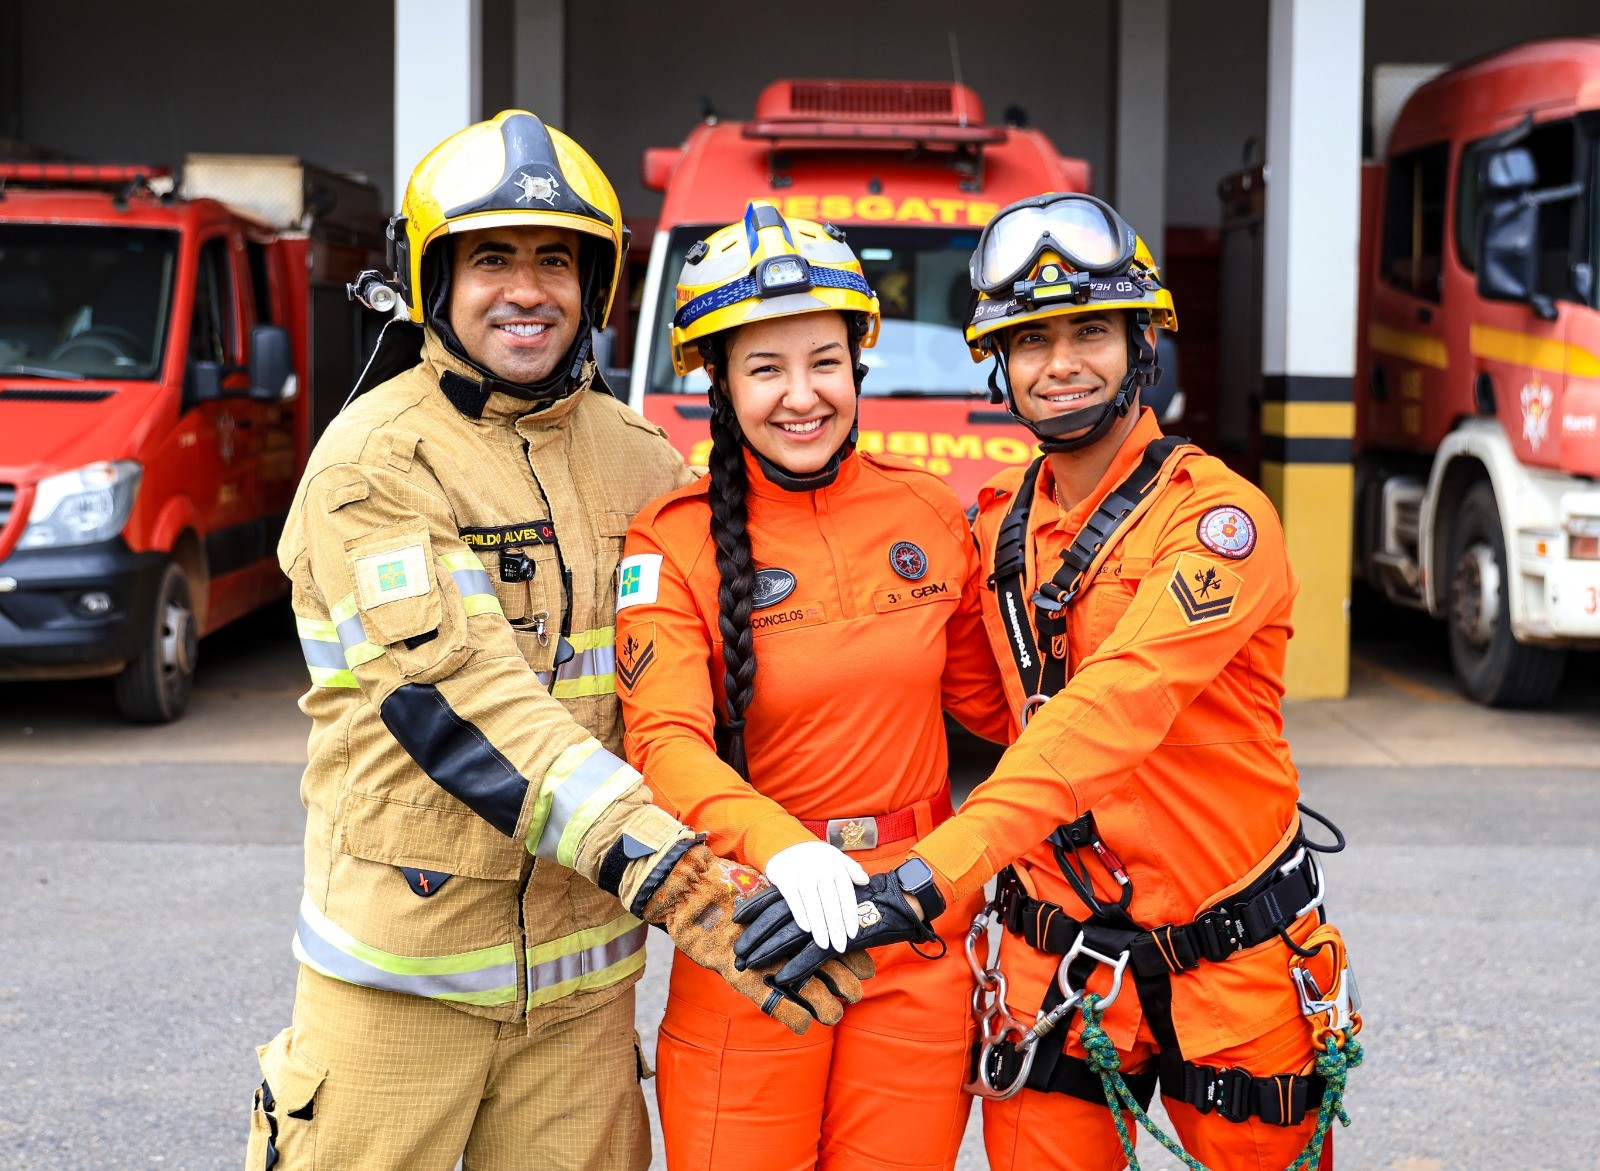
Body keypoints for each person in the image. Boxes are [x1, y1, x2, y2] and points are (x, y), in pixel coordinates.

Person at [247, 113, 865, 1171]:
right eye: (491, 258)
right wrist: (681, 882)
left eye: (554, 260)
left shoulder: (642, 463)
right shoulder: (375, 464)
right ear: (433, 279)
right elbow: (461, 700)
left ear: (596, 286)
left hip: (583, 1004)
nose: (526, 289)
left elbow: (728, 684)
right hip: (402, 988)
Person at [739, 192, 1357, 1170]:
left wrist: (928, 873)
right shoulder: (993, 526)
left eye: (1088, 333)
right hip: (1056, 957)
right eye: (1030, 341)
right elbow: (976, 698)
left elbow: (1110, 710)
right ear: (998, 362)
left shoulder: (1216, 523)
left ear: (1139, 344)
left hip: (1229, 954)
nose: (1059, 363)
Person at [612, 200, 1012, 1171]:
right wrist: (785, 852)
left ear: (858, 363)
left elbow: (996, 709)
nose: (801, 395)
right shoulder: (670, 538)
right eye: (764, 368)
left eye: (823, 362)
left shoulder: (924, 505)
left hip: (915, 923)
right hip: (753, 923)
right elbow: (660, 742)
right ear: (713, 378)